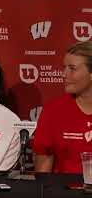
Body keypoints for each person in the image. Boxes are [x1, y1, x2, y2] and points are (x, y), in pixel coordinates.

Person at [33, 41, 92, 173]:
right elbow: (43, 173)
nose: (64, 74)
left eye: (72, 68)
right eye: (64, 67)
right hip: (64, 192)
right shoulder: (53, 111)